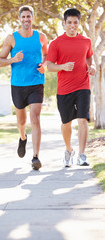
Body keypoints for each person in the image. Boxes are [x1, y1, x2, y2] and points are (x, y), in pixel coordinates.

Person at [0, 5, 48, 170]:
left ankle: (35, 157)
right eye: (23, 17)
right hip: (18, 85)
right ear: (19, 19)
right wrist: (13, 60)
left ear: (33, 18)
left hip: (36, 82)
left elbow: (47, 54)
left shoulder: (41, 37)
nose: (26, 20)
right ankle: (22, 137)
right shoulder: (11, 38)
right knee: (21, 122)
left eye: (29, 16)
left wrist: (44, 65)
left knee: (35, 118)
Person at [47, 8, 96, 167]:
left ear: (79, 23)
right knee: (66, 123)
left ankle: (82, 154)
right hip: (64, 89)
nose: (72, 25)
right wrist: (62, 66)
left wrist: (92, 66)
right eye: (69, 22)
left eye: (75, 22)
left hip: (83, 85)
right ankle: (69, 150)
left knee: (83, 120)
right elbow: (49, 66)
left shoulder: (86, 41)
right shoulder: (56, 43)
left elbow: (89, 58)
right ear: (64, 23)